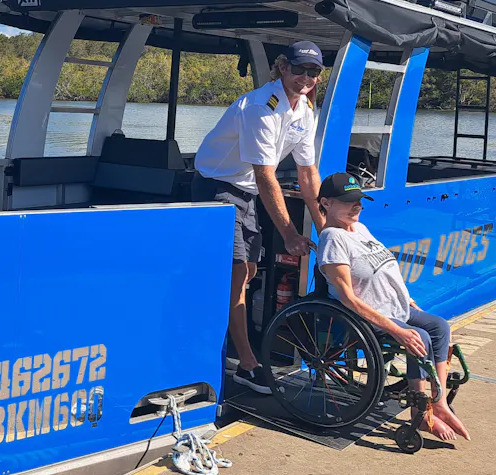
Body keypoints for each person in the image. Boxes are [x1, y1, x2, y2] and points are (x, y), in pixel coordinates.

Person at [192, 41, 326, 394]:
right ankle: (246, 366)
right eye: (299, 69)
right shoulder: (260, 108)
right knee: (237, 276)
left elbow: (308, 172)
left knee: (249, 273)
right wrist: (289, 233)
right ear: (282, 67)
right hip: (217, 188)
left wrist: (324, 224)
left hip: (247, 192)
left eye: (313, 72)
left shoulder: (305, 112)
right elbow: (267, 175)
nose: (305, 78)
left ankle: (229, 346)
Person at [314, 172, 471, 442]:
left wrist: (407, 299)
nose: (358, 206)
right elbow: (348, 299)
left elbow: (384, 269)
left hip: (397, 306)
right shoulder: (332, 239)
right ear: (326, 203)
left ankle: (440, 402)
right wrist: (396, 331)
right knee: (418, 337)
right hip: (367, 317)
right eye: (349, 201)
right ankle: (419, 414)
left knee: (439, 326)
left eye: (359, 200)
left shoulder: (359, 229)